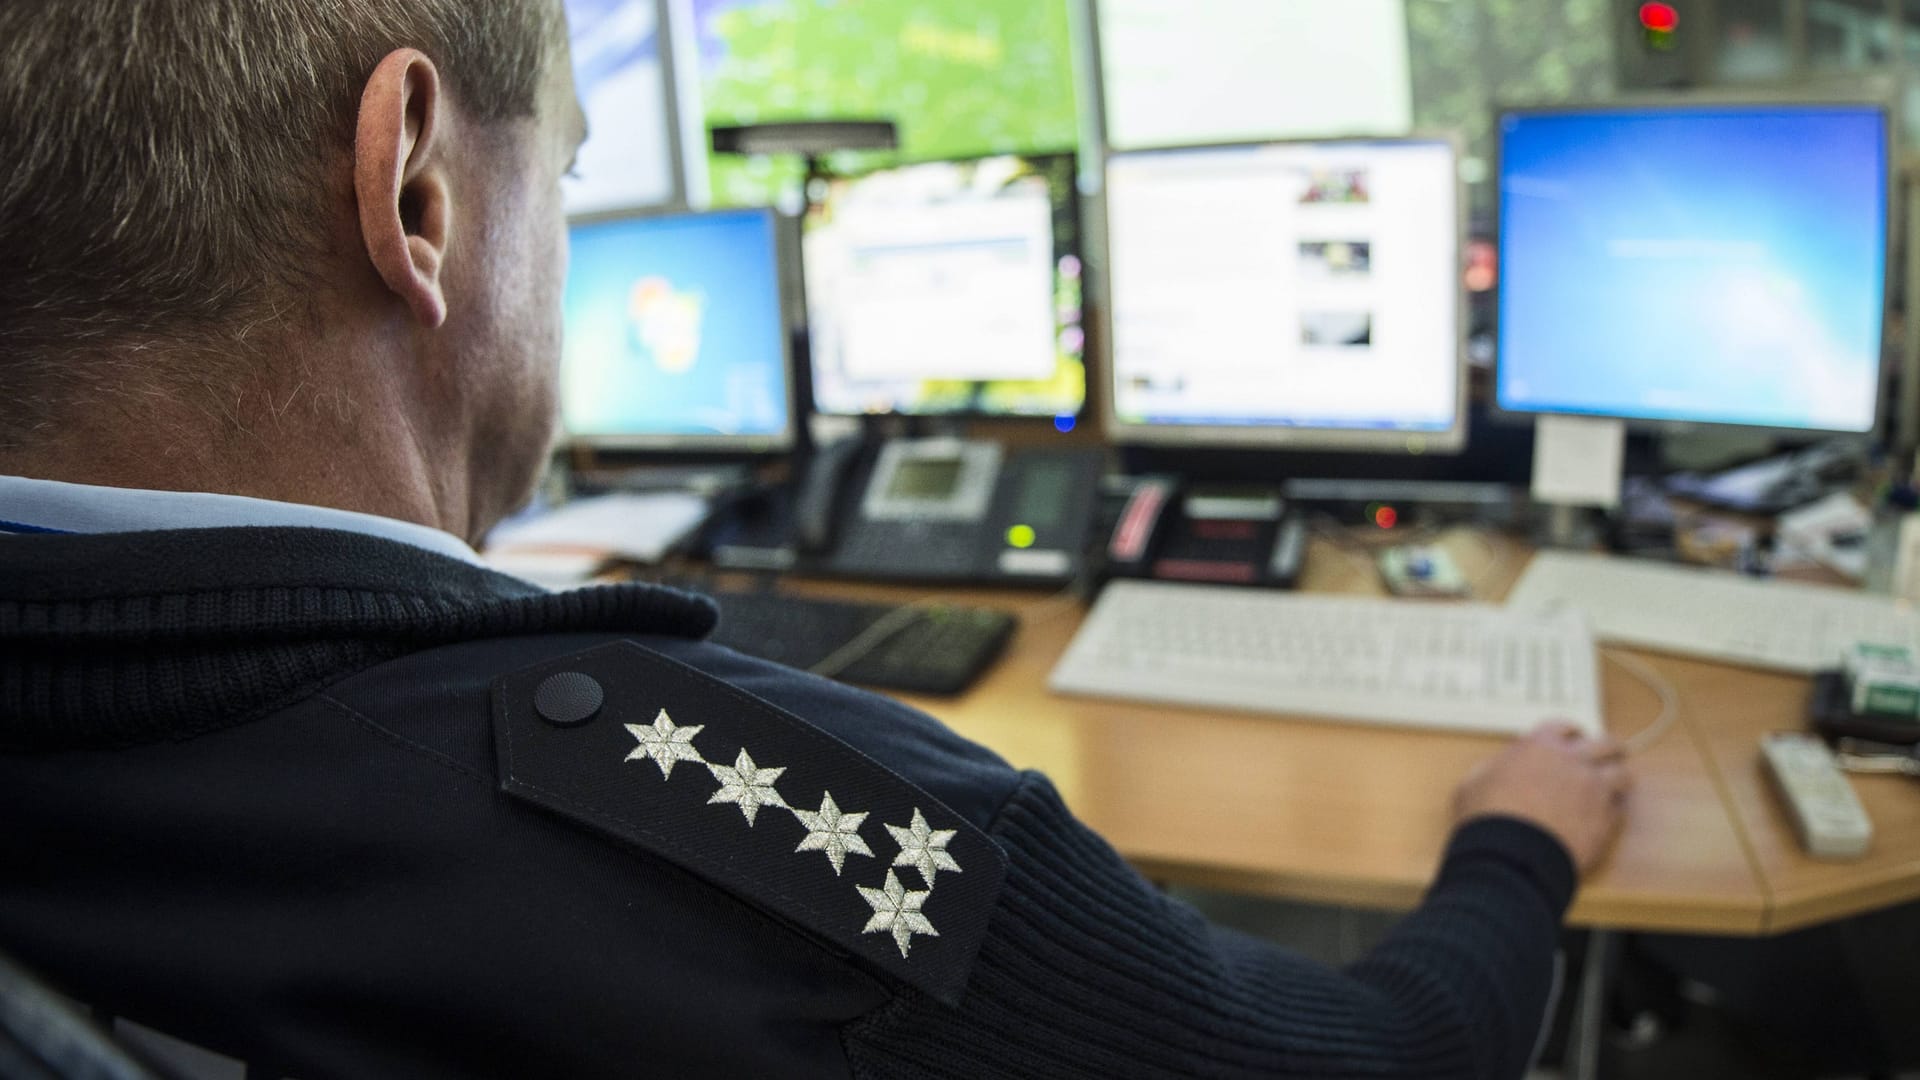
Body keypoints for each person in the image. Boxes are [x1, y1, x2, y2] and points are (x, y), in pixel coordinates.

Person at [0, 2, 1631, 1077]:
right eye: (562, 171)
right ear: (417, 192)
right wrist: (1518, 837)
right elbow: (1392, 1058)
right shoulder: (780, 821)